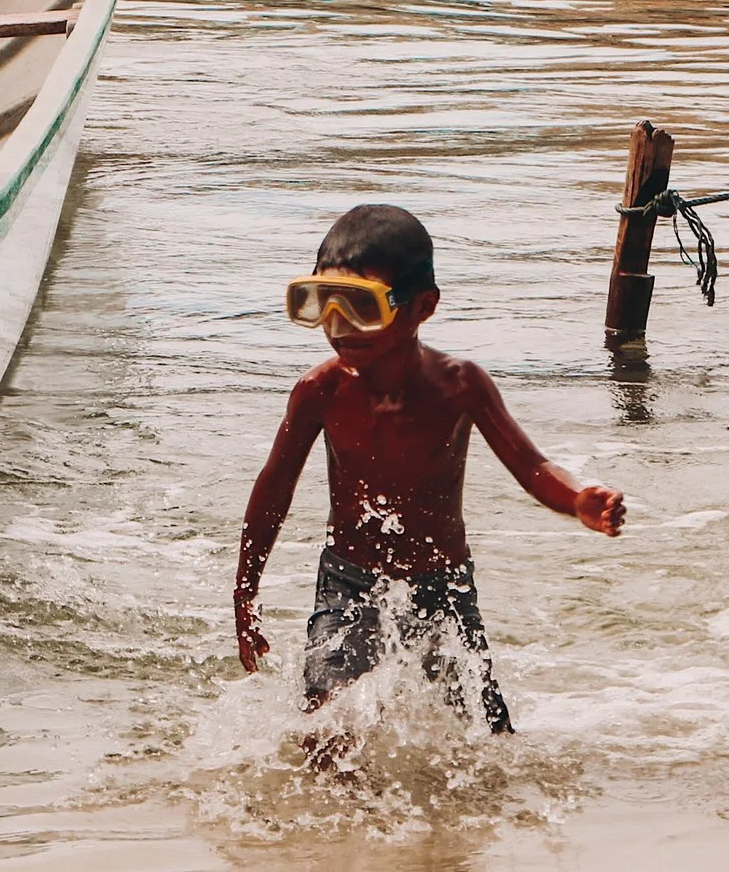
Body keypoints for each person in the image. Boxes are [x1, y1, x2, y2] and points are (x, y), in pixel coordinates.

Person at [234, 204, 626, 734]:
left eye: (361, 307)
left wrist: (577, 499)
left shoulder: (459, 385)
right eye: (324, 305)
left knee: (484, 735)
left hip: (442, 584)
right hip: (348, 582)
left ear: (423, 306)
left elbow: (531, 466)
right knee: (322, 726)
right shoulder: (319, 391)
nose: (339, 326)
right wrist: (246, 590)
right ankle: (346, 818)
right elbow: (274, 488)